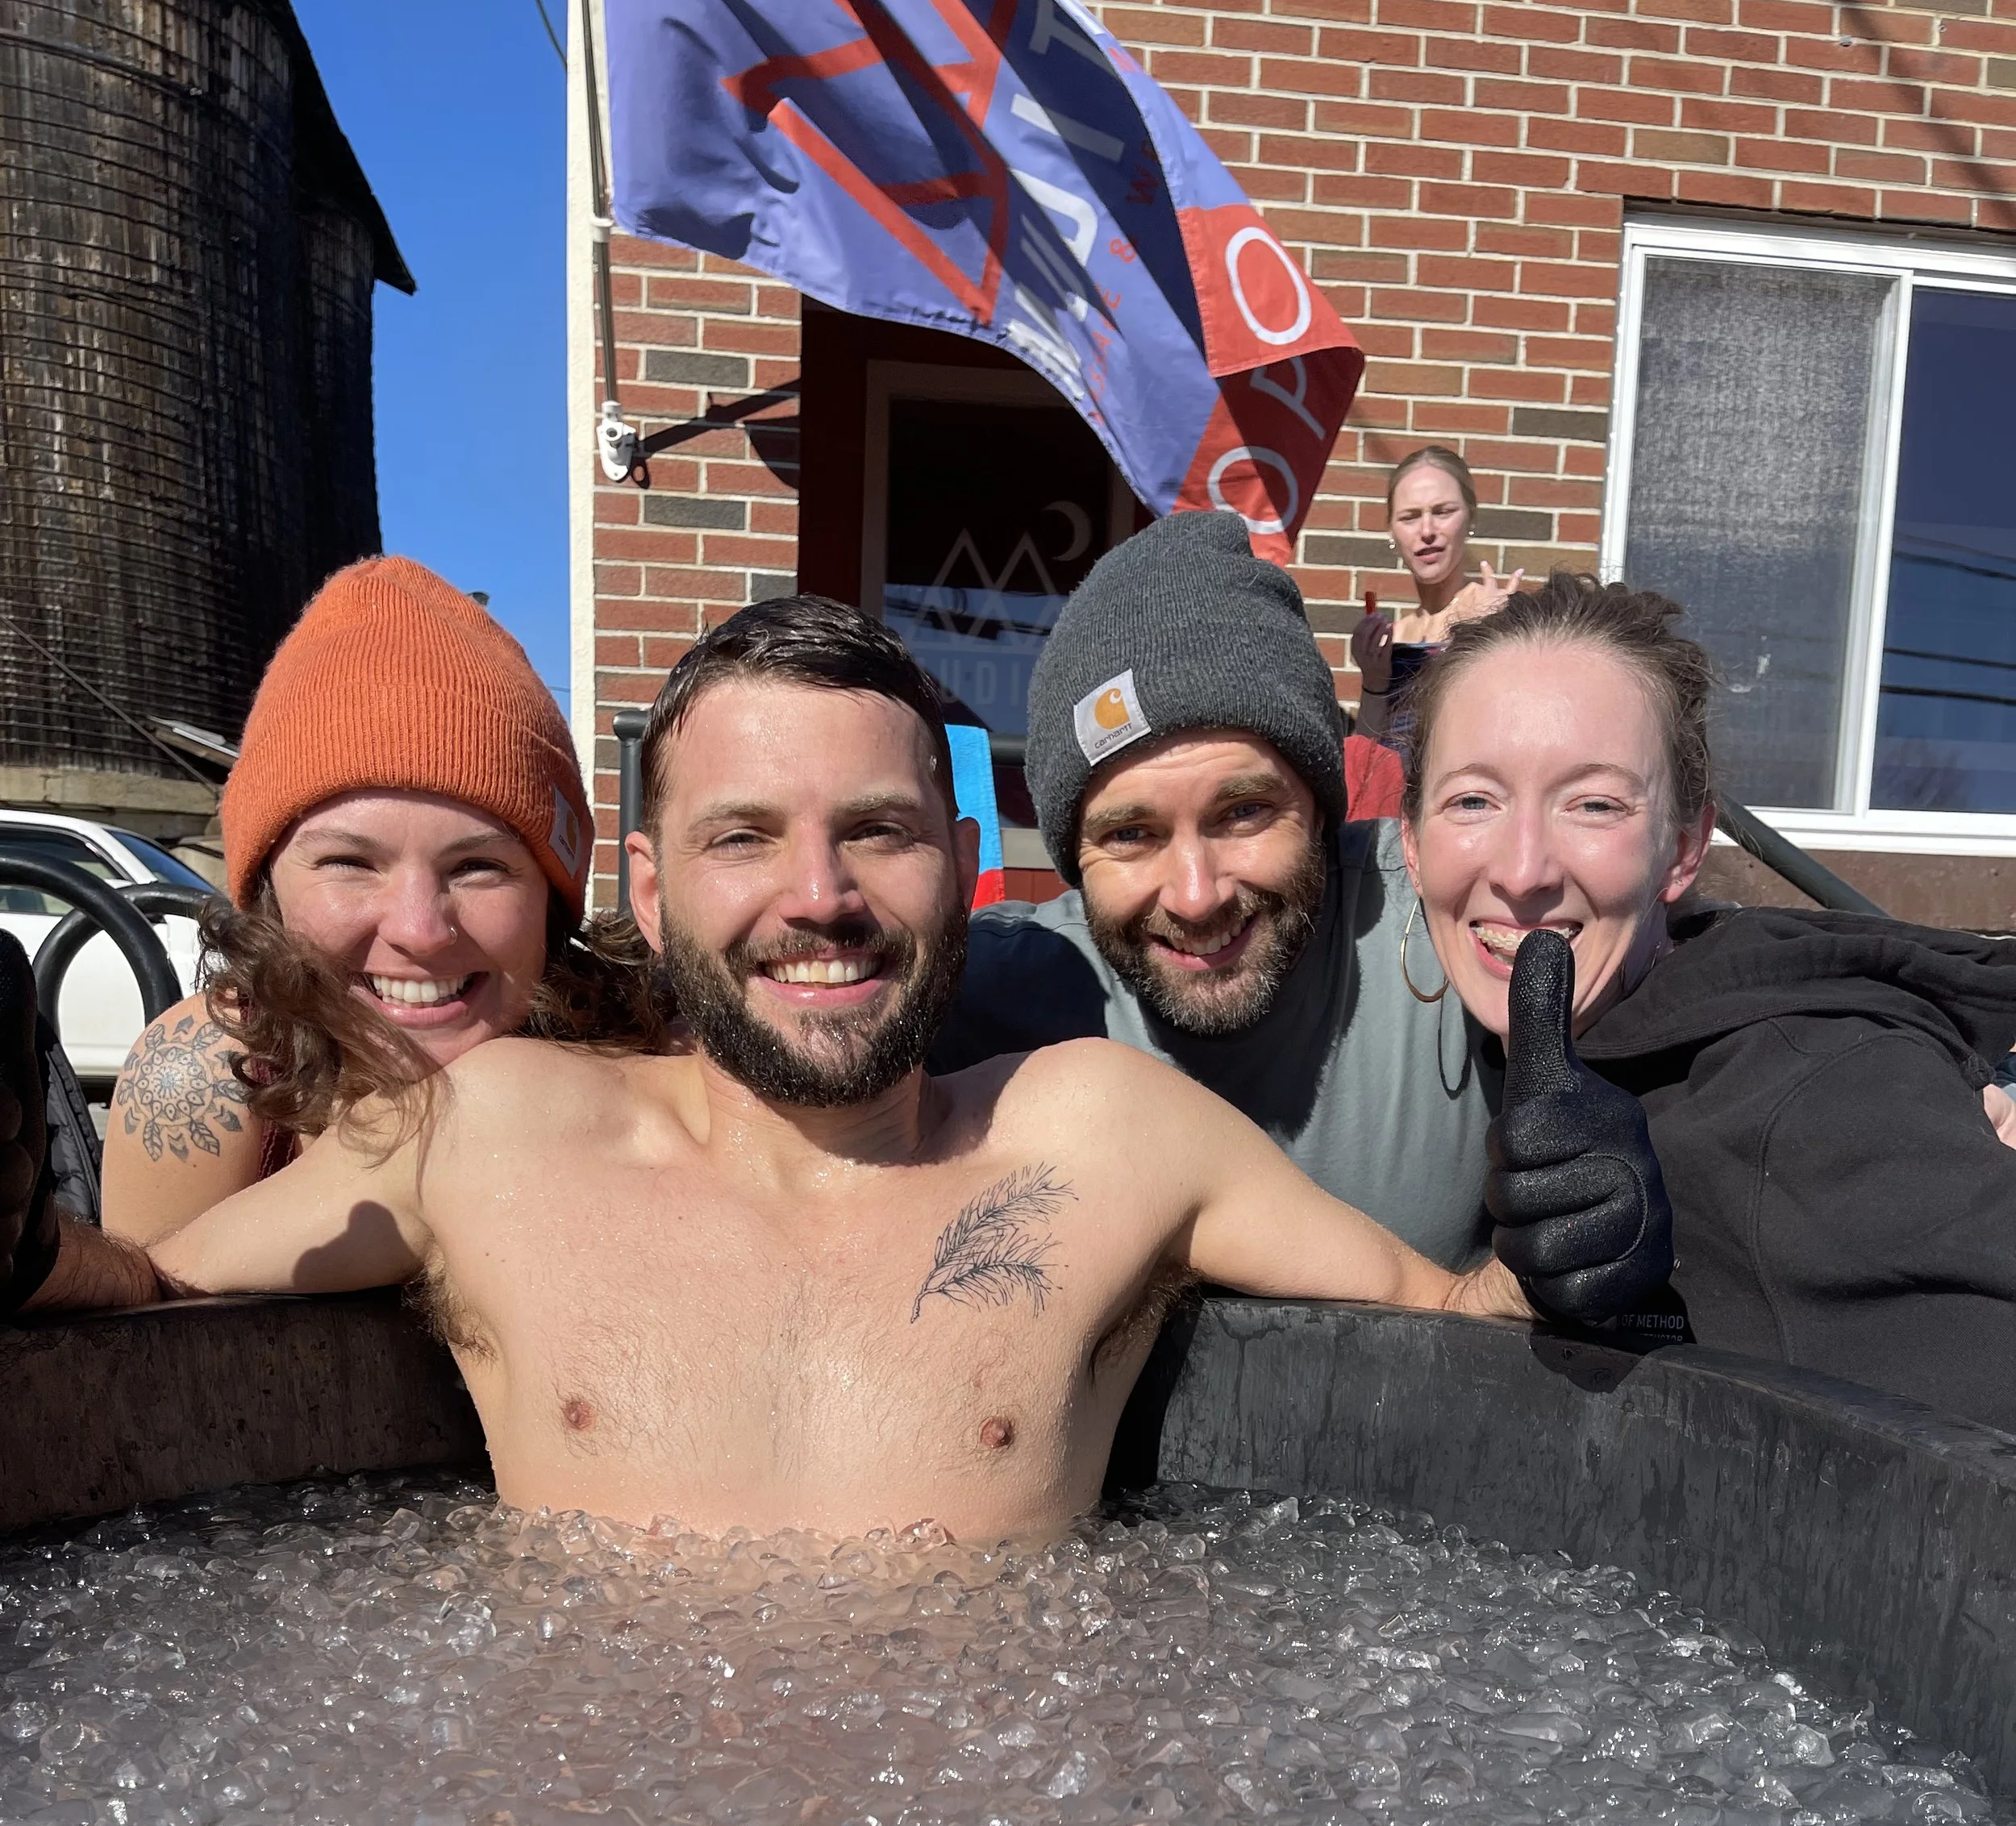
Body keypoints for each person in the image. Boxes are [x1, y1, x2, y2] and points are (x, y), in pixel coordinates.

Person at [2, 597, 1672, 1537]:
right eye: (744, 840)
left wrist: (1569, 1239)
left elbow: (1458, 1337)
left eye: (875, 833)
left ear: (961, 862)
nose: (817, 899)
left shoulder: (1099, 1135)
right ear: (651, 894)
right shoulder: (488, 1134)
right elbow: (139, 1295)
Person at [935, 509, 1653, 1279]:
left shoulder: (1451, 921)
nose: (1196, 894)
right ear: (1073, 856)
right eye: (1130, 835)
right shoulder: (993, 995)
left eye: (1243, 812)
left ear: (1320, 807)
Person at [1402, 569, 2016, 1428]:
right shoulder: (1439, 1042)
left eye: (1592, 803)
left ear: (1683, 846)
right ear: (1411, 843)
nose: (1521, 868)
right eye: (1472, 799)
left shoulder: (1820, 1088)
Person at [101, 557, 648, 1244]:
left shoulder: (646, 1073)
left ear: (551, 895)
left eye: (478, 866)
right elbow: (146, 1338)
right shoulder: (198, 1082)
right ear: (268, 888)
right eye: (350, 863)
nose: (420, 929)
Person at [1348, 446, 1522, 748]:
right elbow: (1366, 755)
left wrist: (1497, 639)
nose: (1427, 530)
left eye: (1443, 512)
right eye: (1410, 517)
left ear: (1471, 518)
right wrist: (1373, 684)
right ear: (1391, 531)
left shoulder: (1495, 611)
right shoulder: (1396, 635)